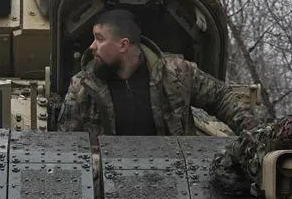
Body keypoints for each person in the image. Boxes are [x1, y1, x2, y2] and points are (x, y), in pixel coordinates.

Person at [57, 8, 261, 138]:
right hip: (107, 179)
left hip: (175, 175)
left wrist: (255, 137)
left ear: (123, 45)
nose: (92, 46)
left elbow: (221, 97)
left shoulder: (176, 73)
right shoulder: (82, 86)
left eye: (99, 39)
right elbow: (66, 142)